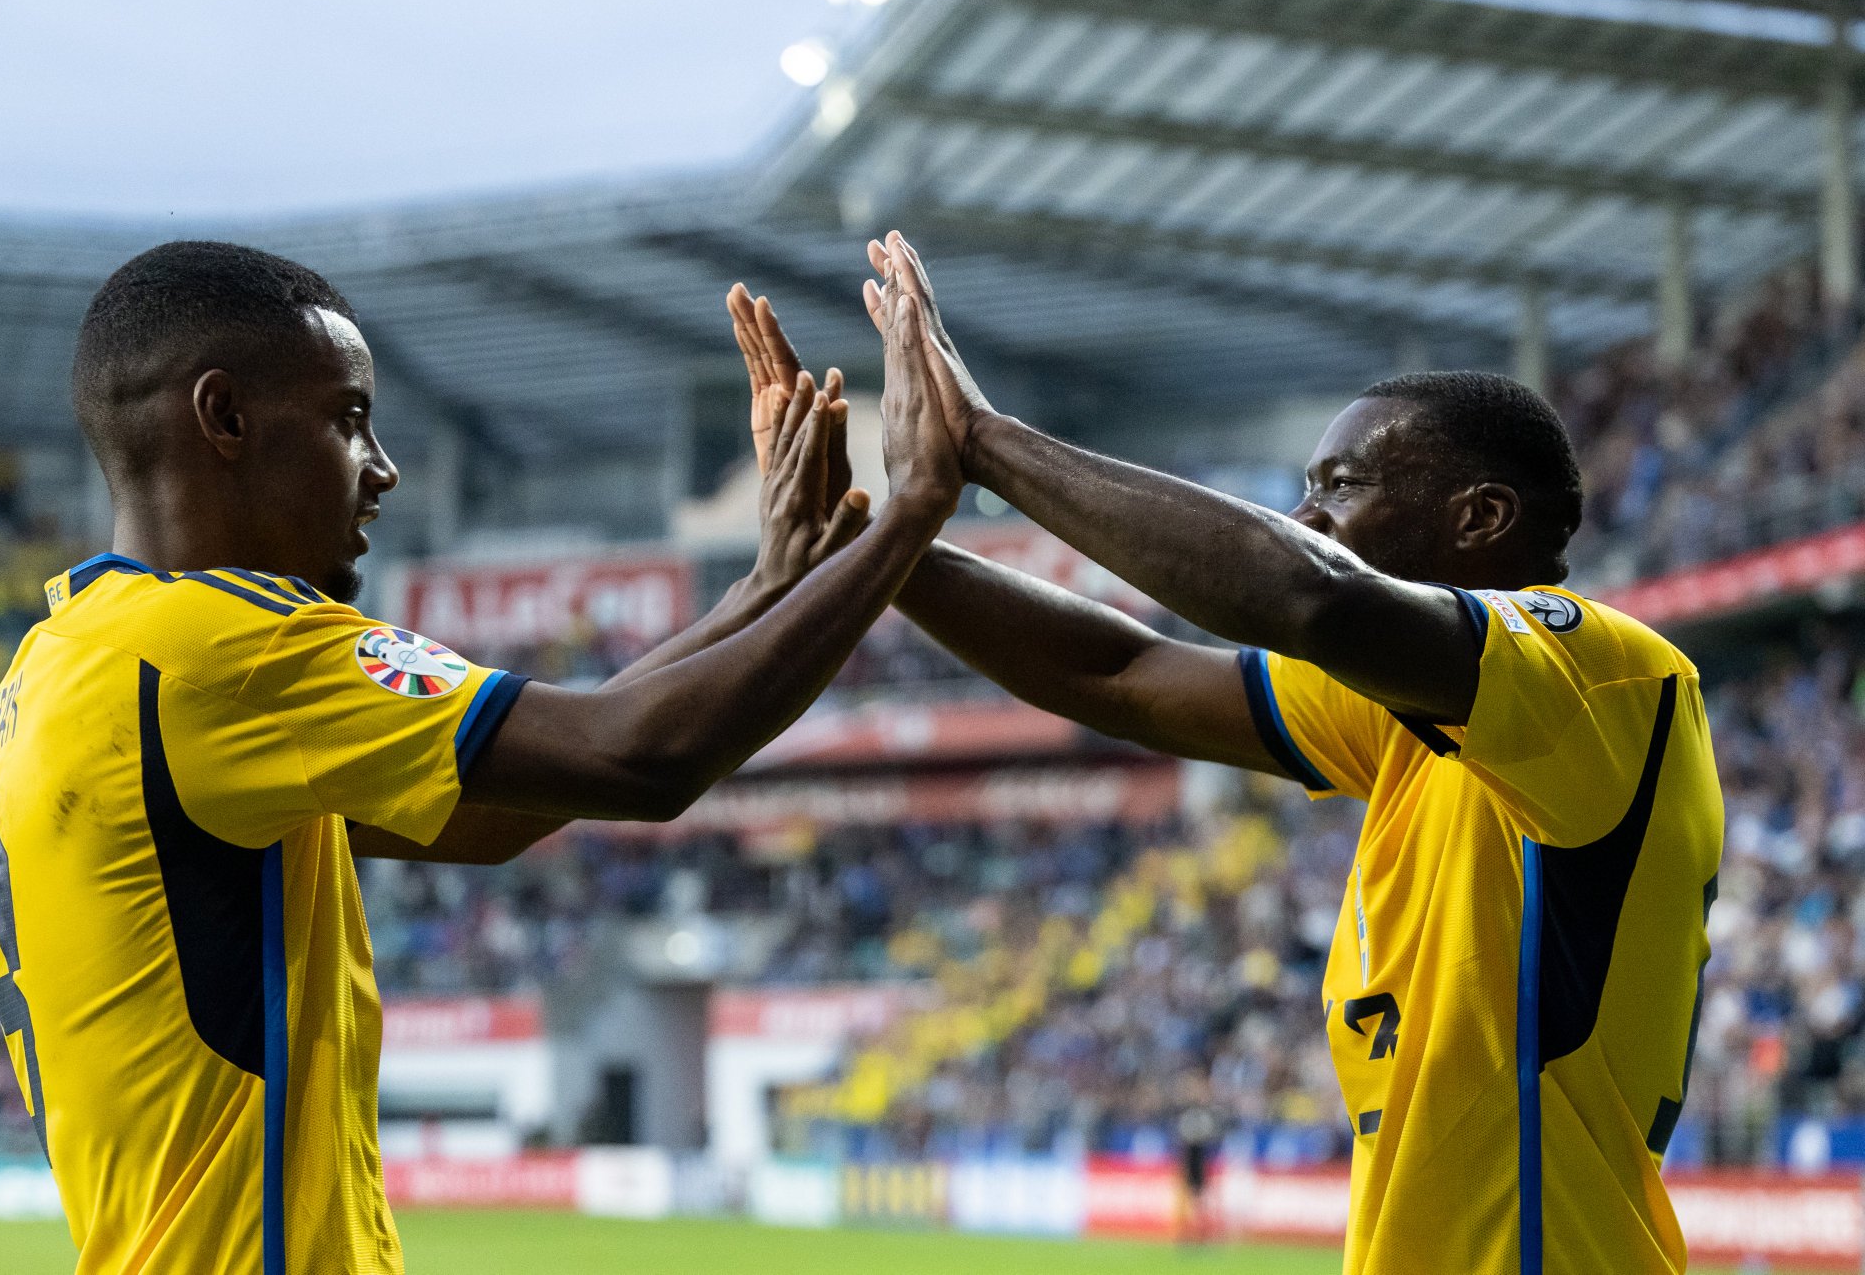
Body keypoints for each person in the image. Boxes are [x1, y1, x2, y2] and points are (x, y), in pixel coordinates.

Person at [732, 231, 1725, 1275]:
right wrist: (870, 543)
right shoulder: (1407, 726)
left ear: (1477, 519)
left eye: (1338, 485)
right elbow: (1114, 675)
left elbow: (1303, 594)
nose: (1305, 516)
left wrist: (980, 442)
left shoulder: (1606, 681)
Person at [0, 240, 962, 1274]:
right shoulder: (225, 646)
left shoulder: (66, 666)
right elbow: (639, 761)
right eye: (347, 419)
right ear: (222, 417)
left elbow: (492, 814)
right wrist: (910, 511)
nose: (382, 467)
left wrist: (766, 589)